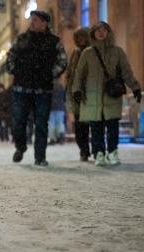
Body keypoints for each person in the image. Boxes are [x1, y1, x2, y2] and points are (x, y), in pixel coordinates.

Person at [72, 21, 141, 166]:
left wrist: (135, 87)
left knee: (112, 126)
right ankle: (99, 153)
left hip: (111, 96)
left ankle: (112, 152)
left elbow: (126, 72)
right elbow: (79, 74)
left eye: (103, 29)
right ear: (93, 34)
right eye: (97, 30)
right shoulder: (87, 53)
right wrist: (76, 90)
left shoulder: (118, 52)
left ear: (108, 32)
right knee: (96, 128)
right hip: (92, 97)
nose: (101, 32)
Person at [6, 10, 67, 166]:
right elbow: (10, 58)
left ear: (44, 23)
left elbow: (62, 61)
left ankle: (40, 157)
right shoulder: (21, 39)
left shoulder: (54, 41)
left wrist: (49, 75)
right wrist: (15, 71)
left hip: (43, 90)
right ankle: (20, 147)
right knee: (19, 122)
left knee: (41, 124)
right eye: (31, 20)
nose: (31, 22)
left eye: (35, 20)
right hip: (21, 88)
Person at [65, 27, 91, 161]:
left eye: (83, 37)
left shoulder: (92, 51)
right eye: (78, 37)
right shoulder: (75, 52)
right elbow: (70, 71)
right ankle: (83, 149)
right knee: (79, 125)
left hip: (90, 94)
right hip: (75, 95)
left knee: (88, 124)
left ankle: (91, 149)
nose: (81, 39)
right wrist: (69, 87)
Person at [48, 80, 66, 145]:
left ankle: (52, 139)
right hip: (60, 107)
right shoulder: (61, 85)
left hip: (51, 107)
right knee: (60, 123)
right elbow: (64, 97)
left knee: (51, 123)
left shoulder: (49, 85)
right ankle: (61, 138)